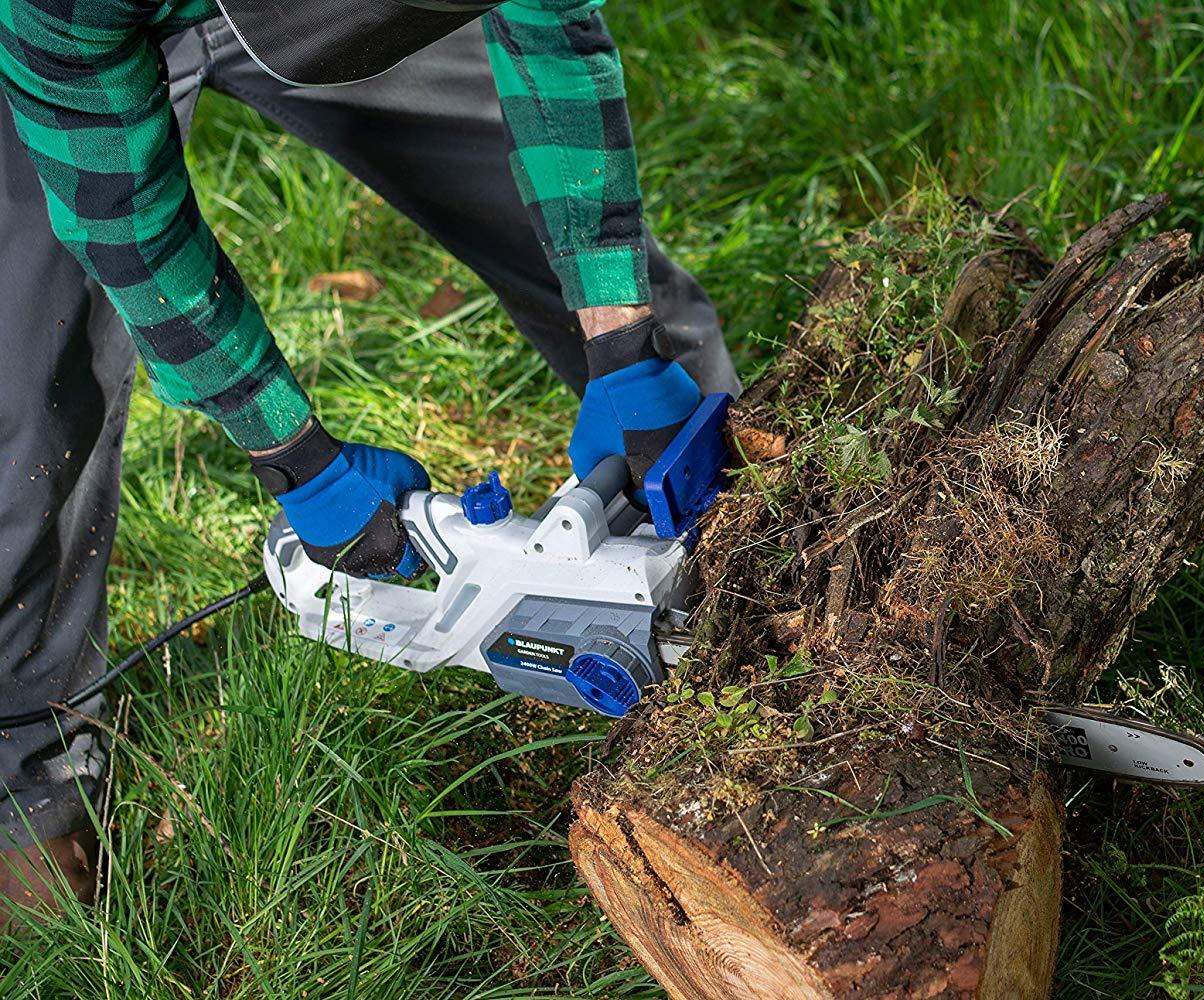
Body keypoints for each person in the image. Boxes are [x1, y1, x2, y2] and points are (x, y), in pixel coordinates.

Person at [0, 0, 739, 928]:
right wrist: (295, 458)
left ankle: (750, 567)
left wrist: (622, 342)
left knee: (611, 276)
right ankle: (34, 790)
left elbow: (552, 37)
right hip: (58, 44)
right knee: (26, 406)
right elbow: (124, 220)